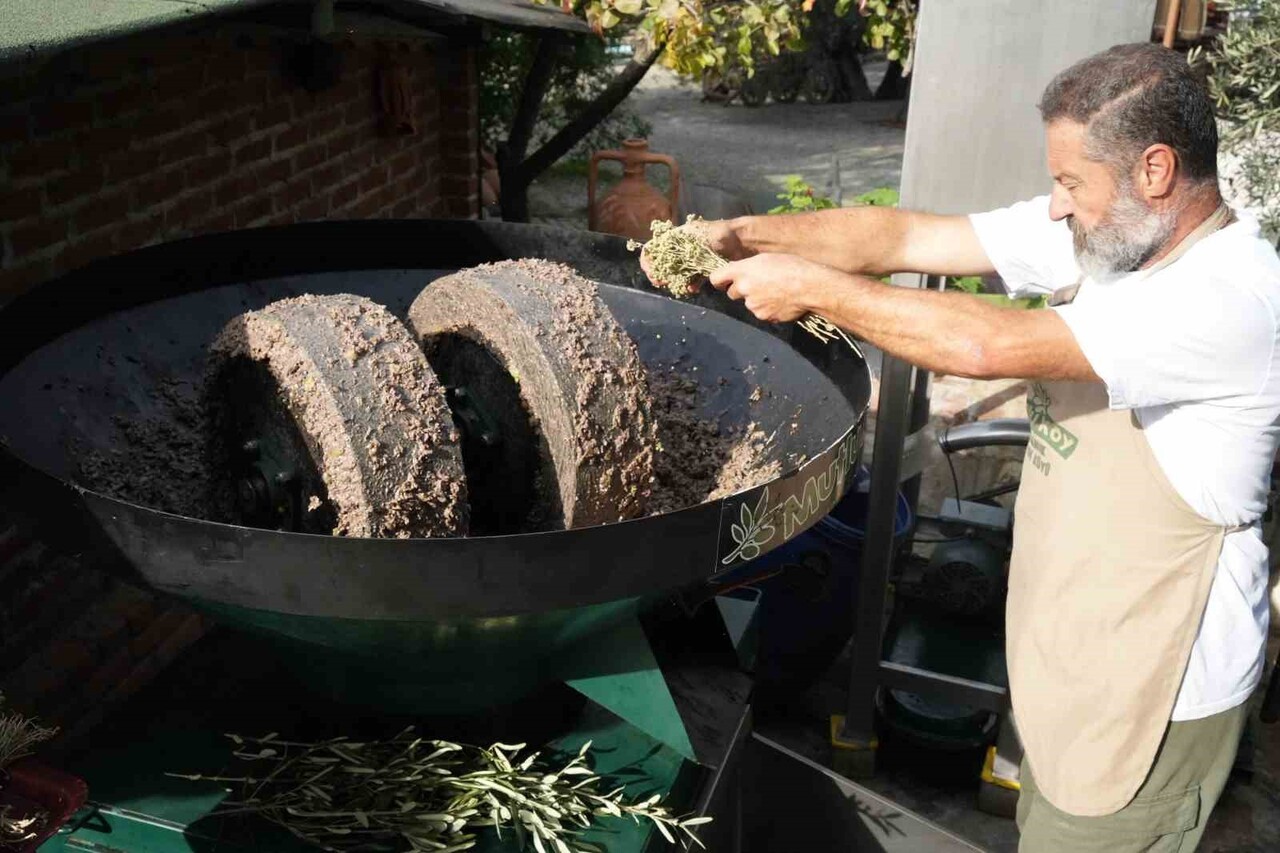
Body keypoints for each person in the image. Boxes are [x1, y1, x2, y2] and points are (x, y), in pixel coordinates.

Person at [643, 43, 1280, 851]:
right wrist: (742, 235)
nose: (1054, 207)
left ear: (1155, 170)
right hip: (1078, 657)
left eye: (1071, 183)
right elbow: (910, 237)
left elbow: (985, 345)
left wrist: (811, 289)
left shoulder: (1228, 301)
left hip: (1151, 696)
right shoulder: (1118, 237)